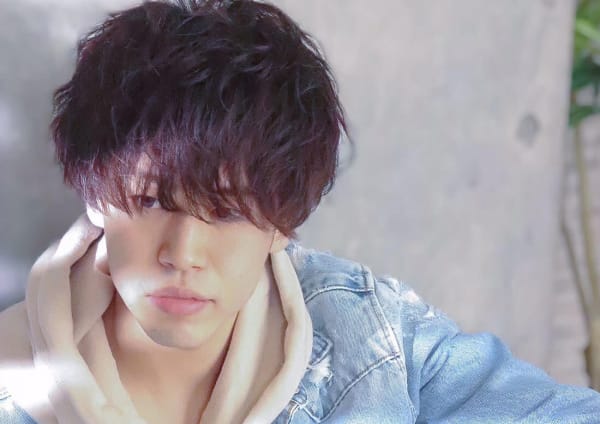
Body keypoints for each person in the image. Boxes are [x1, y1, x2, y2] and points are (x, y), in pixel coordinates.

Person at [0, 0, 599, 423]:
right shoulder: (14, 382)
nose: (183, 254)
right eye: (151, 200)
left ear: (281, 225)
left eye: (229, 211)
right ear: (96, 195)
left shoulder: (370, 338)